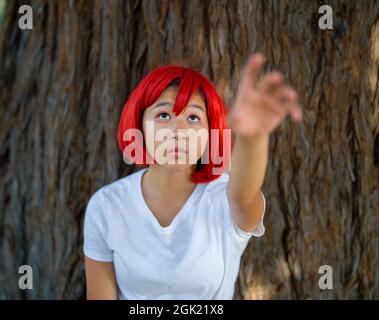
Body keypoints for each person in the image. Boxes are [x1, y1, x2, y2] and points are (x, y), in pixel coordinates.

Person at [83, 53, 302, 299]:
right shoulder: (106, 205)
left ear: (210, 134)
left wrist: (253, 136)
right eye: (163, 115)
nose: (179, 130)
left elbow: (244, 196)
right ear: (139, 125)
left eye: (193, 118)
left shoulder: (224, 198)